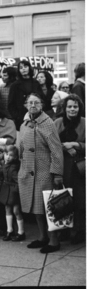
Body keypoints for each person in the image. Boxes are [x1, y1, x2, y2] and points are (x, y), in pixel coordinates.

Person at [18, 93, 64, 253]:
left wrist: (57, 173)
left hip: (45, 172)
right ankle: (43, 237)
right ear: (25, 105)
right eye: (30, 102)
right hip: (28, 172)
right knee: (37, 209)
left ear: (42, 105)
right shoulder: (24, 124)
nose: (33, 105)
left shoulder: (48, 123)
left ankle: (54, 241)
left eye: (36, 102)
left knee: (48, 207)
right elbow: (20, 147)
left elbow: (56, 150)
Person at [54, 94, 85, 244]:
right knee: (63, 199)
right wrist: (65, 148)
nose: (72, 109)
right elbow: (51, 144)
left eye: (75, 106)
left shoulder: (85, 123)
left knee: (79, 201)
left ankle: (79, 231)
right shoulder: (58, 122)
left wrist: (76, 145)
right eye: (70, 106)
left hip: (80, 168)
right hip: (62, 166)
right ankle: (64, 230)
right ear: (65, 108)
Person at [0, 145, 25, 242]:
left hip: (13, 191)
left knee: (16, 211)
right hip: (7, 189)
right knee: (7, 209)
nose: (7, 157)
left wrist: (16, 190)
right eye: (6, 154)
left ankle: (21, 232)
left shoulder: (15, 166)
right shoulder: (6, 164)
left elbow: (18, 180)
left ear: (15, 157)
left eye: (10, 155)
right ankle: (9, 230)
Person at [8, 60, 44, 131]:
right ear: (18, 70)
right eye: (21, 68)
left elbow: (42, 99)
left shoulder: (35, 83)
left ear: (29, 68)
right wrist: (17, 117)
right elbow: (10, 104)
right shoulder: (15, 85)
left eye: (25, 66)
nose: (23, 69)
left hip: (36, 117)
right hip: (21, 118)